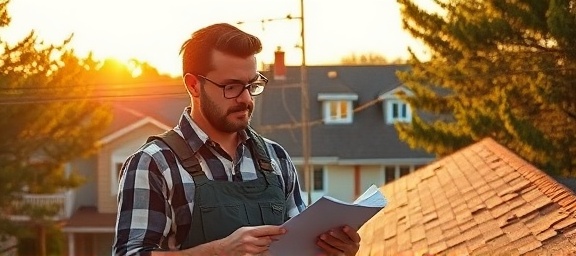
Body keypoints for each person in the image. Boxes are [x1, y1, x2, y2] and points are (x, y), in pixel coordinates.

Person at [113, 23, 361, 256]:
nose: (246, 99)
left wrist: (333, 250)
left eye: (251, 85)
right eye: (231, 87)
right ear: (193, 85)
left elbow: (301, 247)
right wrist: (218, 251)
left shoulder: (277, 159)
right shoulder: (154, 164)